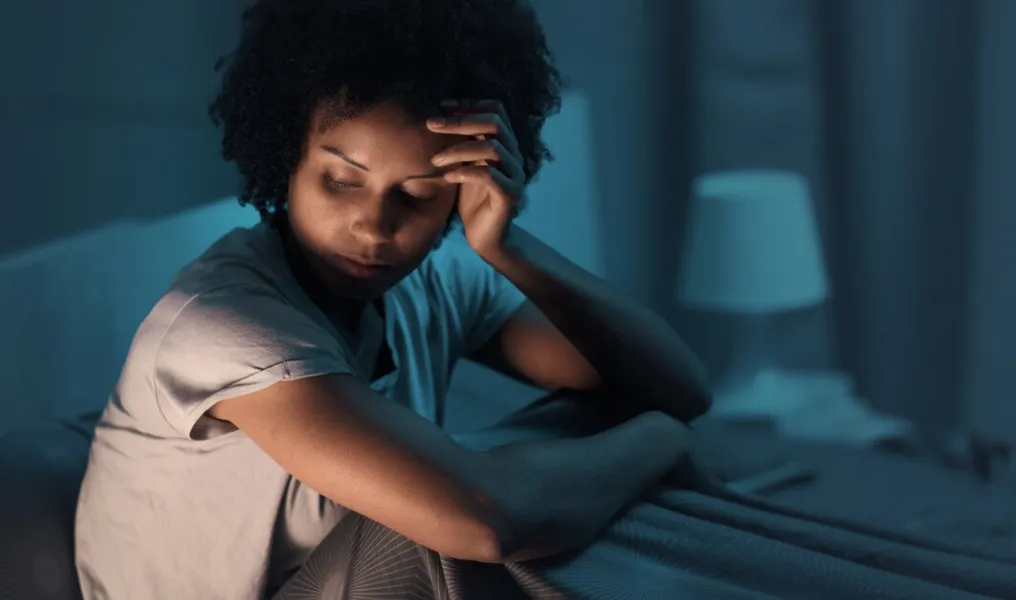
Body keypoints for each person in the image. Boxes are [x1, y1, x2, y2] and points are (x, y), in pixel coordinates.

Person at [73, 0, 712, 598]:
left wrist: (510, 247)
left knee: (580, 432)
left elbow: (676, 389)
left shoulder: (431, 283)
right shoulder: (223, 327)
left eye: (416, 196)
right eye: (341, 181)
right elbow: (489, 522)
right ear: (285, 156)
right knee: (460, 509)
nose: (374, 227)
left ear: (461, 193)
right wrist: (660, 440)